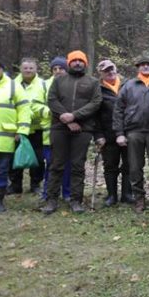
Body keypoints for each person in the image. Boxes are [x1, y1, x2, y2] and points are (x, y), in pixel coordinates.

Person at [43, 50, 102, 214]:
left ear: (86, 63)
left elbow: (96, 103)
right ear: (69, 63)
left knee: (78, 166)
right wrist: (65, 117)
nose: (77, 63)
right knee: (56, 165)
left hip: (83, 130)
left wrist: (75, 116)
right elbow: (52, 100)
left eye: (80, 61)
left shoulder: (93, 82)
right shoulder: (59, 80)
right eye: (74, 60)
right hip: (59, 128)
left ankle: (76, 200)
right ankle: (51, 200)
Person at [113, 55, 149, 213]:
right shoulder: (128, 86)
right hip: (134, 131)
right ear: (137, 67)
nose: (146, 67)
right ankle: (139, 198)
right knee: (135, 167)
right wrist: (119, 133)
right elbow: (118, 111)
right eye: (142, 65)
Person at [0, 58, 30, 212]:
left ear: (2, 70)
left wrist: (21, 131)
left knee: (1, 172)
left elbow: (24, 109)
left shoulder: (13, 86)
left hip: (5, 139)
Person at [9, 57, 49, 195]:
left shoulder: (43, 84)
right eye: (25, 68)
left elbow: (47, 104)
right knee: (15, 157)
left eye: (31, 68)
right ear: (20, 68)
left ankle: (35, 184)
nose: (28, 70)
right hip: (17, 129)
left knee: (38, 159)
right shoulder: (12, 84)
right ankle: (15, 185)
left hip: (37, 129)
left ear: (36, 69)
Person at [96, 59, 132, 206]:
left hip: (129, 132)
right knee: (110, 165)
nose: (110, 72)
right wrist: (98, 135)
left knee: (129, 164)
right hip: (108, 134)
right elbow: (95, 115)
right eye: (106, 70)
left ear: (116, 69)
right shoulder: (97, 89)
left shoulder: (128, 85)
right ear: (101, 73)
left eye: (112, 69)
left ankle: (127, 194)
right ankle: (111, 195)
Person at [41, 56, 71, 201]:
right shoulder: (44, 85)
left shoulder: (73, 84)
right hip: (49, 131)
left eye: (61, 68)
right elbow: (35, 105)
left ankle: (67, 193)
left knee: (68, 165)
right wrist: (49, 111)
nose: (58, 71)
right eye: (55, 69)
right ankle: (47, 193)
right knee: (51, 165)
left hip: (70, 131)